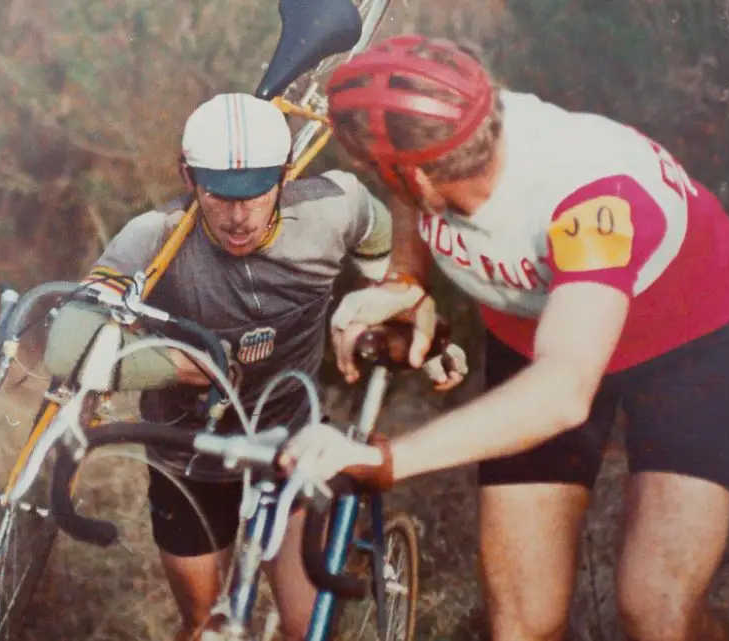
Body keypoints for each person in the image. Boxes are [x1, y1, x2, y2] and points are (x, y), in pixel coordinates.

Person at [277, 35, 729, 641]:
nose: (375, 183)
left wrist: (387, 459)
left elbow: (561, 394)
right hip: (536, 333)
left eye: (373, 172)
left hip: (683, 343)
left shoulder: (591, 199)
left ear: (417, 176)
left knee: (656, 609)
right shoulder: (452, 133)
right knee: (521, 622)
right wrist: (407, 278)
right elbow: (409, 197)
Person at [41, 92, 467, 641]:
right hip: (188, 453)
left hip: (287, 438)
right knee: (206, 624)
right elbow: (65, 347)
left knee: (305, 627)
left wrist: (405, 321)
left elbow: (385, 248)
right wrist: (173, 364)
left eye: (257, 192)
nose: (239, 217)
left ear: (287, 174)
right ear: (188, 176)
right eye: (220, 195)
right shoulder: (155, 236)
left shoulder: (335, 207)